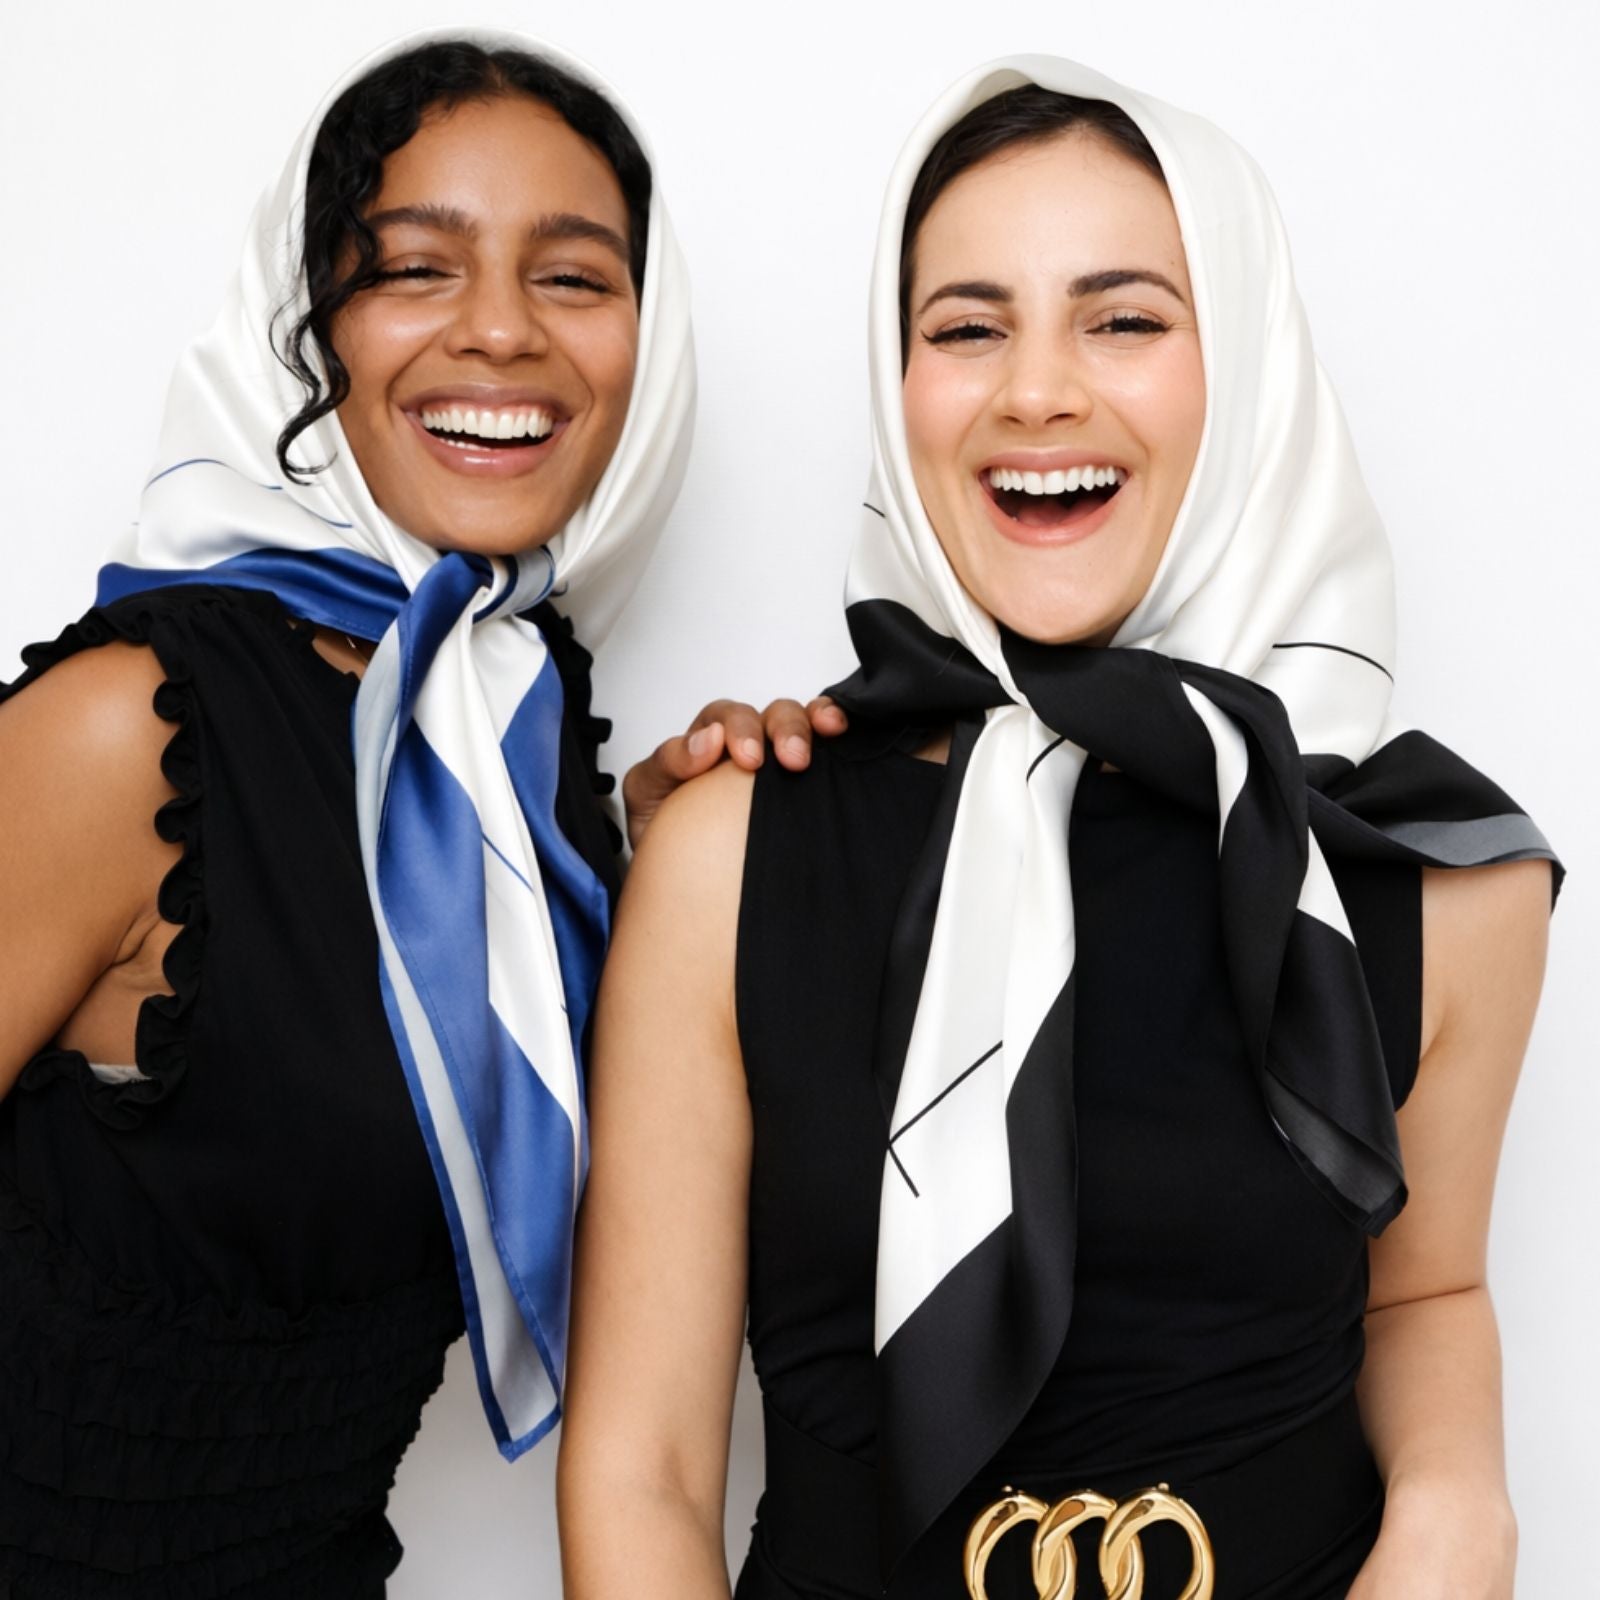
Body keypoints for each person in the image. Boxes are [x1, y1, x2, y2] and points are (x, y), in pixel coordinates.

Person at [558, 56, 1559, 1600]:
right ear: (900, 391)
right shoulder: (734, 849)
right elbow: (647, 1465)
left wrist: (1458, 1520)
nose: (1040, 389)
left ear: (1249, 372)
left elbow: (1424, 1298)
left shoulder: (1431, 870)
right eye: (967, 326)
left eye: (1126, 318)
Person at [0, 27, 704, 1597]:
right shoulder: (133, 726)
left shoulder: (516, 733)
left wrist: (654, 852)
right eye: (416, 271)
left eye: (576, 277)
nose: (505, 333)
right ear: (305, 326)